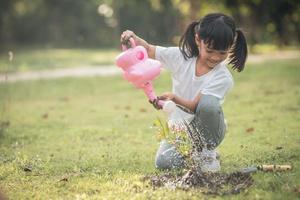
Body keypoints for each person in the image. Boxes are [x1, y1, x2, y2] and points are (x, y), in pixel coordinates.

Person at [120, 13, 248, 172]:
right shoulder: (181, 57)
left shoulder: (223, 77)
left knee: (208, 105)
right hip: (180, 129)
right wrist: (134, 38)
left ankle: (207, 151)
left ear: (231, 46)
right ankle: (194, 153)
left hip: (208, 127)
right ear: (197, 40)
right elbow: (149, 50)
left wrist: (174, 99)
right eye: (210, 50)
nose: (215, 57)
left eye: (222, 53)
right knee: (164, 162)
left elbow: (197, 107)